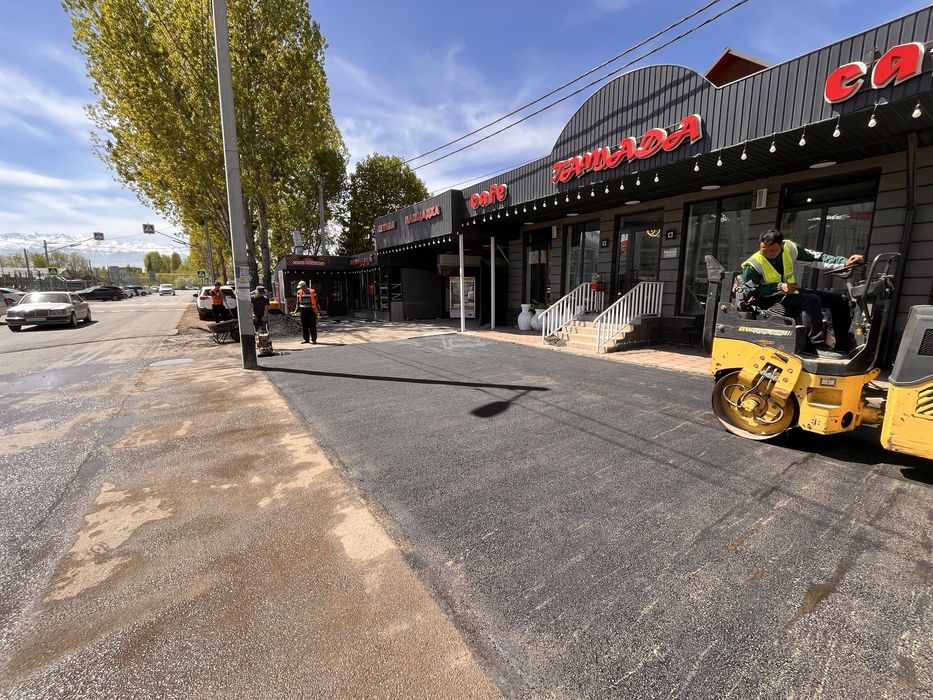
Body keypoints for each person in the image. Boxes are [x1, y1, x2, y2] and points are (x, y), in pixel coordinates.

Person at [740, 229, 864, 352]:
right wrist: (779, 286)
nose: (768, 254)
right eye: (764, 250)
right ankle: (815, 346)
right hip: (767, 300)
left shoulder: (790, 248)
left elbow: (817, 258)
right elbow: (751, 290)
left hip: (790, 294)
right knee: (811, 300)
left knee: (839, 299)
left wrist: (844, 262)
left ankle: (842, 346)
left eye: (773, 251)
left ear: (782, 245)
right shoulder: (753, 265)